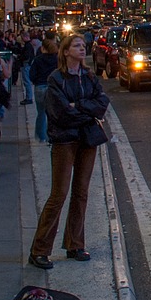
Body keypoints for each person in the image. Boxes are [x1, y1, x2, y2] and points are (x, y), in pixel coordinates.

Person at [29, 34, 109, 269]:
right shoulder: (56, 79)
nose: (82, 49)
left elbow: (102, 104)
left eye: (83, 46)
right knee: (59, 194)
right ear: (65, 51)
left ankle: (75, 243)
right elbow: (60, 113)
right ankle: (40, 249)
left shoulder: (89, 76)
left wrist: (79, 106)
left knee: (81, 192)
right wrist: (87, 112)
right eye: (76, 46)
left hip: (87, 140)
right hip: (65, 140)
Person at [29, 38, 60, 143]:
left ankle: (41, 136)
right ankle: (51, 134)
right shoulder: (57, 60)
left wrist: (36, 81)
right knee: (53, 113)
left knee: (41, 112)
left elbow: (31, 75)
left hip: (40, 86)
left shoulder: (38, 60)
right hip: (53, 87)